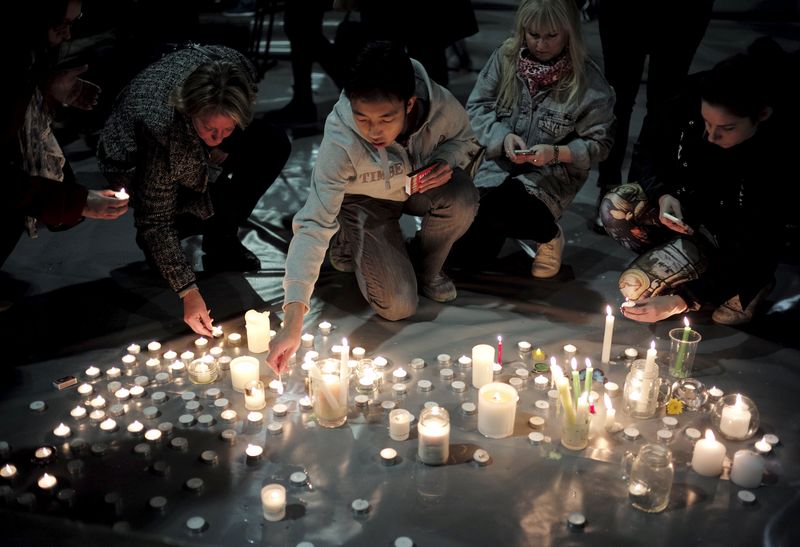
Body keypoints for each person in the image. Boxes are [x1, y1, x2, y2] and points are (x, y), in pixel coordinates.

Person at [267, 41, 482, 372]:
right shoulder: (341, 140)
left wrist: (447, 160)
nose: (373, 131)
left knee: (462, 196)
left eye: (386, 118)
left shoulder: (439, 104)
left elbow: (466, 138)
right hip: (364, 196)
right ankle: (349, 236)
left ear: (410, 104)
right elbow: (312, 224)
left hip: (416, 182)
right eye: (362, 117)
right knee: (397, 305)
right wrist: (293, 318)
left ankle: (426, 268)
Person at [97, 44, 291, 336]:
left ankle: (221, 238)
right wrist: (188, 291)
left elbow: (224, 126)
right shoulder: (160, 130)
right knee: (164, 218)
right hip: (132, 160)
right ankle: (180, 230)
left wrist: (225, 145)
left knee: (271, 142)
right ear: (191, 112)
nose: (217, 137)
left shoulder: (239, 73)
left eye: (226, 129)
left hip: (192, 124)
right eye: (209, 129)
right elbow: (155, 221)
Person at [600, 39, 790, 325]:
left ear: (761, 115)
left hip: (733, 241)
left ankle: (749, 286)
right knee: (618, 206)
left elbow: (755, 243)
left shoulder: (778, 157)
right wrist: (664, 194)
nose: (711, 137)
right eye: (706, 123)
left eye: (726, 129)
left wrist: (682, 301)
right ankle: (684, 263)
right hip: (690, 217)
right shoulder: (688, 96)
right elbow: (648, 150)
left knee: (645, 288)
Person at [453, 0, 614, 278]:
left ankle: (549, 235)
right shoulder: (505, 58)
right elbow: (477, 108)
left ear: (568, 33)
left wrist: (556, 153)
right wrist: (503, 138)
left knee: (501, 208)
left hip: (550, 175)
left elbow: (601, 145)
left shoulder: (588, 82)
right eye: (533, 34)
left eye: (551, 35)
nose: (541, 44)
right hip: (498, 166)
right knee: (463, 258)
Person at [2, 0, 128, 272]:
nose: (68, 35)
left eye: (74, 22)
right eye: (62, 24)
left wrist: (48, 92)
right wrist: (76, 202)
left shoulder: (27, 60)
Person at [592, 0, 713, 232]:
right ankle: (610, 186)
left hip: (682, 12)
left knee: (665, 104)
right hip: (624, 11)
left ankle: (645, 191)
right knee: (618, 99)